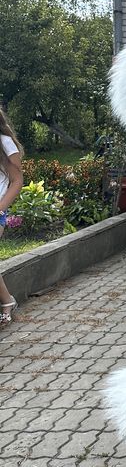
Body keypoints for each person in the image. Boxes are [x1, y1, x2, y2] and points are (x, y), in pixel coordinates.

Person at [0, 109, 23, 326]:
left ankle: (7, 301)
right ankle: (8, 301)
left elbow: (17, 179)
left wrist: (1, 208)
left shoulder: (3, 142)